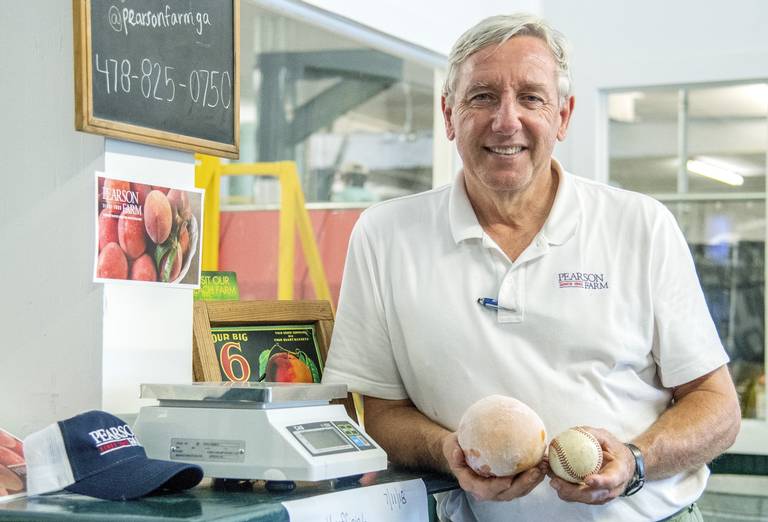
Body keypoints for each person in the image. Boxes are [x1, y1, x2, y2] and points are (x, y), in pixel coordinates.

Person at [321, 12, 740, 522]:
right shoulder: (385, 236)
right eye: (482, 96)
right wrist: (449, 451)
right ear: (448, 114)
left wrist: (635, 460)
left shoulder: (640, 226)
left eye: (531, 98)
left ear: (563, 116)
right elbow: (379, 412)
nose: (506, 120)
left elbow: (716, 405)